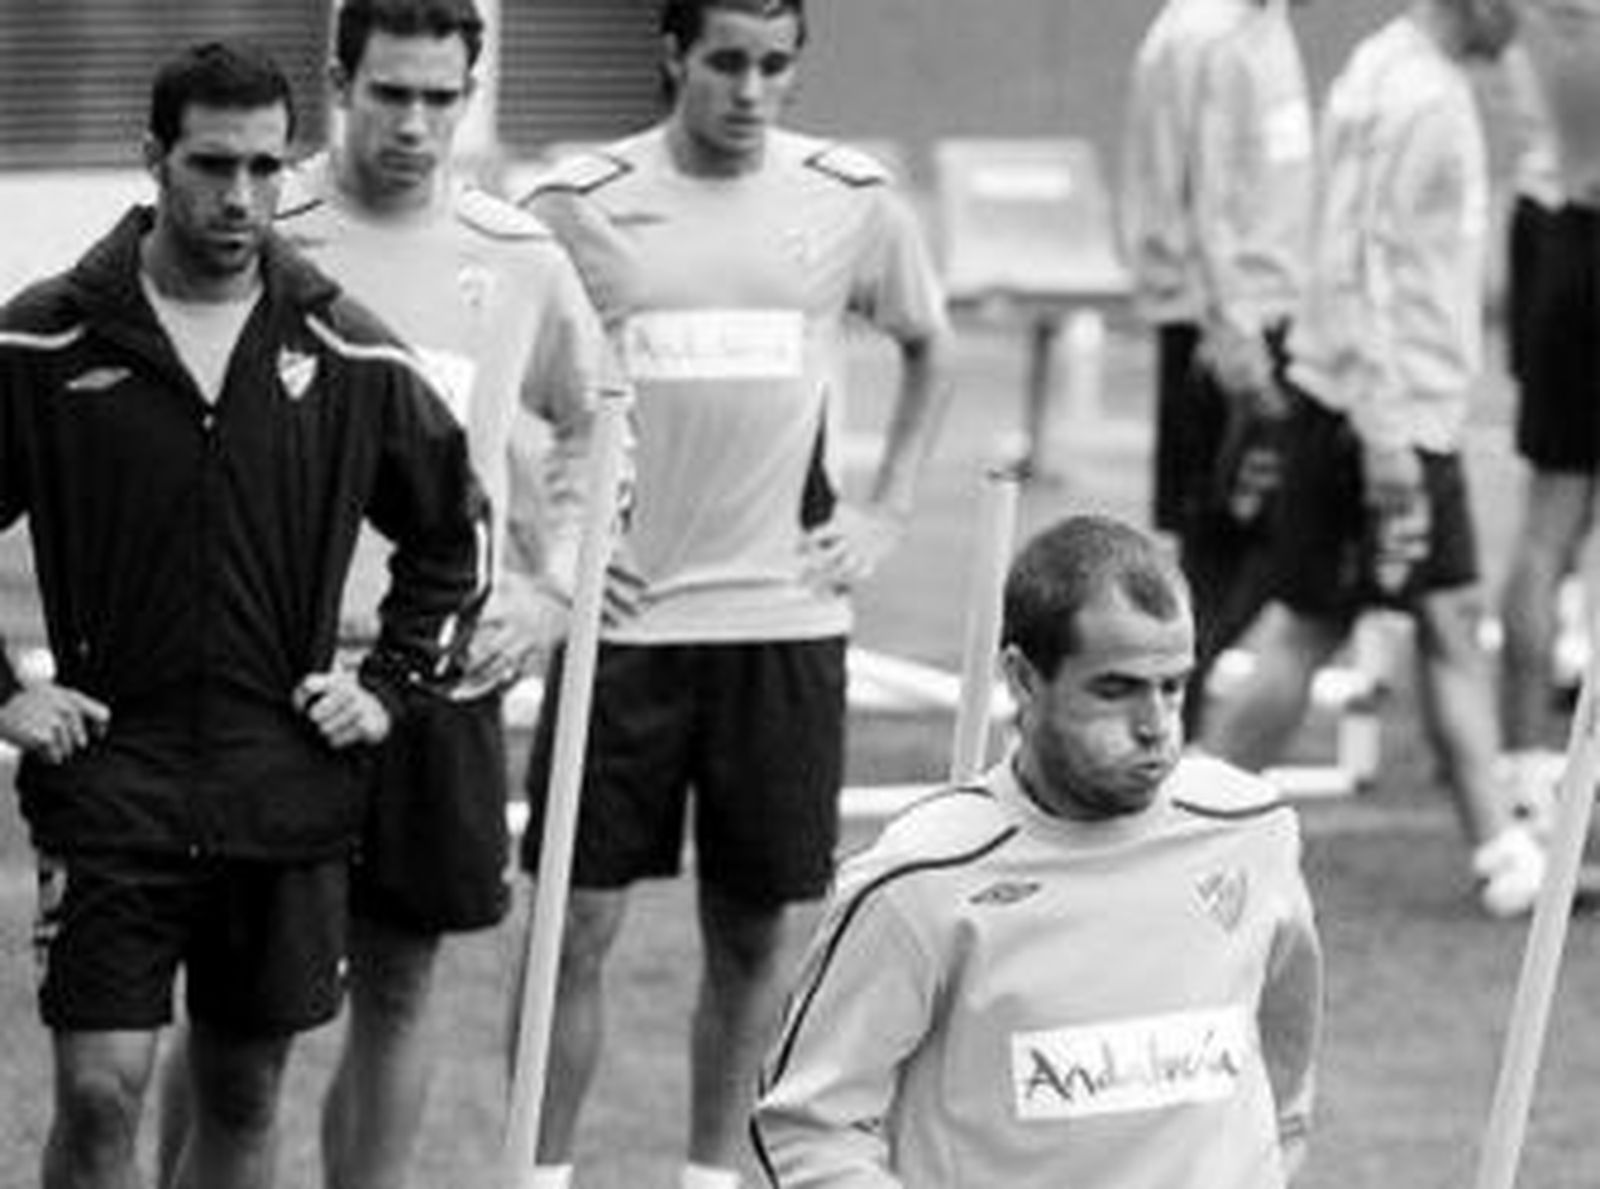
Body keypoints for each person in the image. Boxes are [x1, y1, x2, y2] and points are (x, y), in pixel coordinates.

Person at [0, 41, 488, 1189]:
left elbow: (450, 530)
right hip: (113, 772)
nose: (241, 197)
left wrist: (389, 685)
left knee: (241, 1092)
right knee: (101, 1089)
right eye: (213, 165)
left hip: (283, 782)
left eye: (267, 168)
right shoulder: (44, 339)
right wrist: (5, 697)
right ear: (153, 160)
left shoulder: (346, 344)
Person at [151, 4, 610, 1188]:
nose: (415, 123)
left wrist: (551, 587)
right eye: (391, 92)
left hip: (433, 679)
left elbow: (603, 424)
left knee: (398, 985)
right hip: (260, 678)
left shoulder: (517, 256)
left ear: (469, 94)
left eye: (440, 98)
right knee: (230, 1015)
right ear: (339, 80)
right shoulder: (254, 222)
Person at [512, 2, 951, 1184]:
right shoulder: (578, 201)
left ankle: (711, 1177)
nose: (751, 88)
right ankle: (536, 1174)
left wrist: (884, 510)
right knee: (572, 928)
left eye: (774, 65)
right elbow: (499, 368)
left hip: (783, 624)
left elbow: (930, 342)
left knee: (754, 933)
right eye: (727, 62)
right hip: (624, 631)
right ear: (672, 57)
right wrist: (554, 552)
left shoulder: (850, 198)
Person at [751, 513, 1322, 1188]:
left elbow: (1285, 1048)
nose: (1156, 727)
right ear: (1023, 679)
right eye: (1116, 689)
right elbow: (813, 1125)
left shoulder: (1253, 829)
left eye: (1172, 686)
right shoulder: (922, 878)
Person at [1201, 0, 1546, 917]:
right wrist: (1388, 438)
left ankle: (1500, 846)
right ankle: (1191, 820)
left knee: (1439, 613)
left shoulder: (1385, 65)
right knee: (1313, 625)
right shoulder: (1418, 97)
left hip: (1372, 401)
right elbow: (1364, 267)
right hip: (1382, 415)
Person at [1117, 0, 1315, 734]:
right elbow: (1207, 205)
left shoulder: (1266, 21)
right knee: (1229, 546)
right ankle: (1163, 723)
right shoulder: (1211, 34)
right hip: (1227, 327)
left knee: (1254, 545)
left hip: (1266, 313)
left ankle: (1171, 724)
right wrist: (1234, 337)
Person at [1495, 2, 1600, 828]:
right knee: (1549, 532)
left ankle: (1528, 769)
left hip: (1568, 239)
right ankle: (1535, 770)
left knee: (1548, 528)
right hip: (1574, 233)